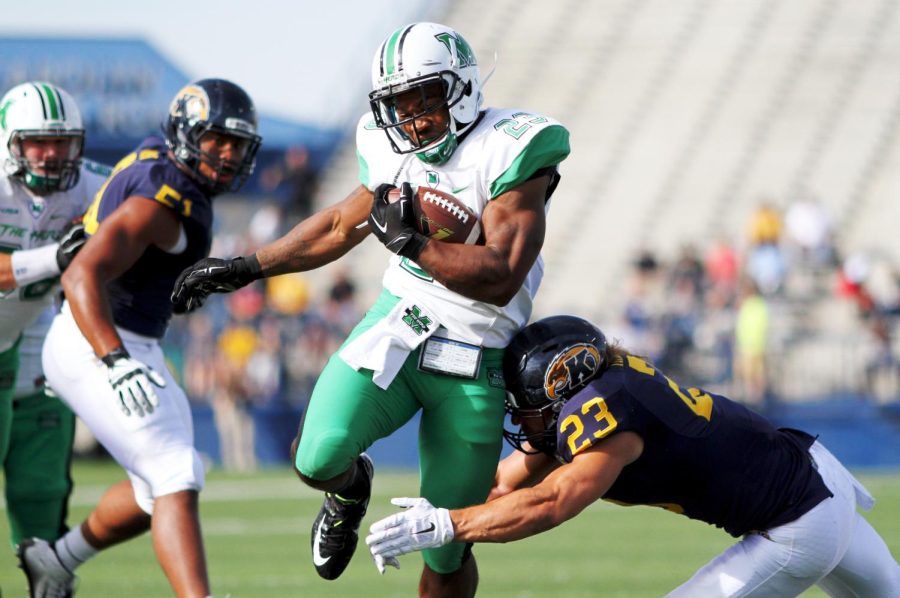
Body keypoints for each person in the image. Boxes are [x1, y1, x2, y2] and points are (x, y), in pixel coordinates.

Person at [171, 21, 570, 597]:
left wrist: (415, 243)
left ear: (461, 90)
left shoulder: (512, 147)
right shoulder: (388, 145)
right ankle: (350, 491)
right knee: (317, 456)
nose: (410, 120)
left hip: (475, 355)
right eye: (398, 105)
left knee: (448, 545)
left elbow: (502, 275)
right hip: (399, 325)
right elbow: (339, 223)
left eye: (423, 101)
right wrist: (244, 266)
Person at [366, 315, 900, 597]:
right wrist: (441, 512)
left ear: (563, 387)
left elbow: (551, 502)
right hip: (815, 477)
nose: (520, 418)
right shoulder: (605, 387)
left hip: (797, 523)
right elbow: (507, 485)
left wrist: (448, 526)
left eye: (524, 405)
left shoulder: (607, 417)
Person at [20, 78, 262, 598]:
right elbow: (80, 275)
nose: (224, 155)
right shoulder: (165, 201)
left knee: (170, 479)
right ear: (184, 134)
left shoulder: (162, 163)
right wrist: (113, 357)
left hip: (125, 337)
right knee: (174, 471)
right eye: (214, 139)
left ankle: (58, 561)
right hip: (98, 337)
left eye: (235, 146)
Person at [0, 81, 109, 593]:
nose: (50, 155)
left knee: (41, 485)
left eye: (62, 142)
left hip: (22, 336)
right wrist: (52, 258)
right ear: (8, 142)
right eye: (36, 142)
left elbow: (146, 202)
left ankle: (48, 578)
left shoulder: (90, 184)